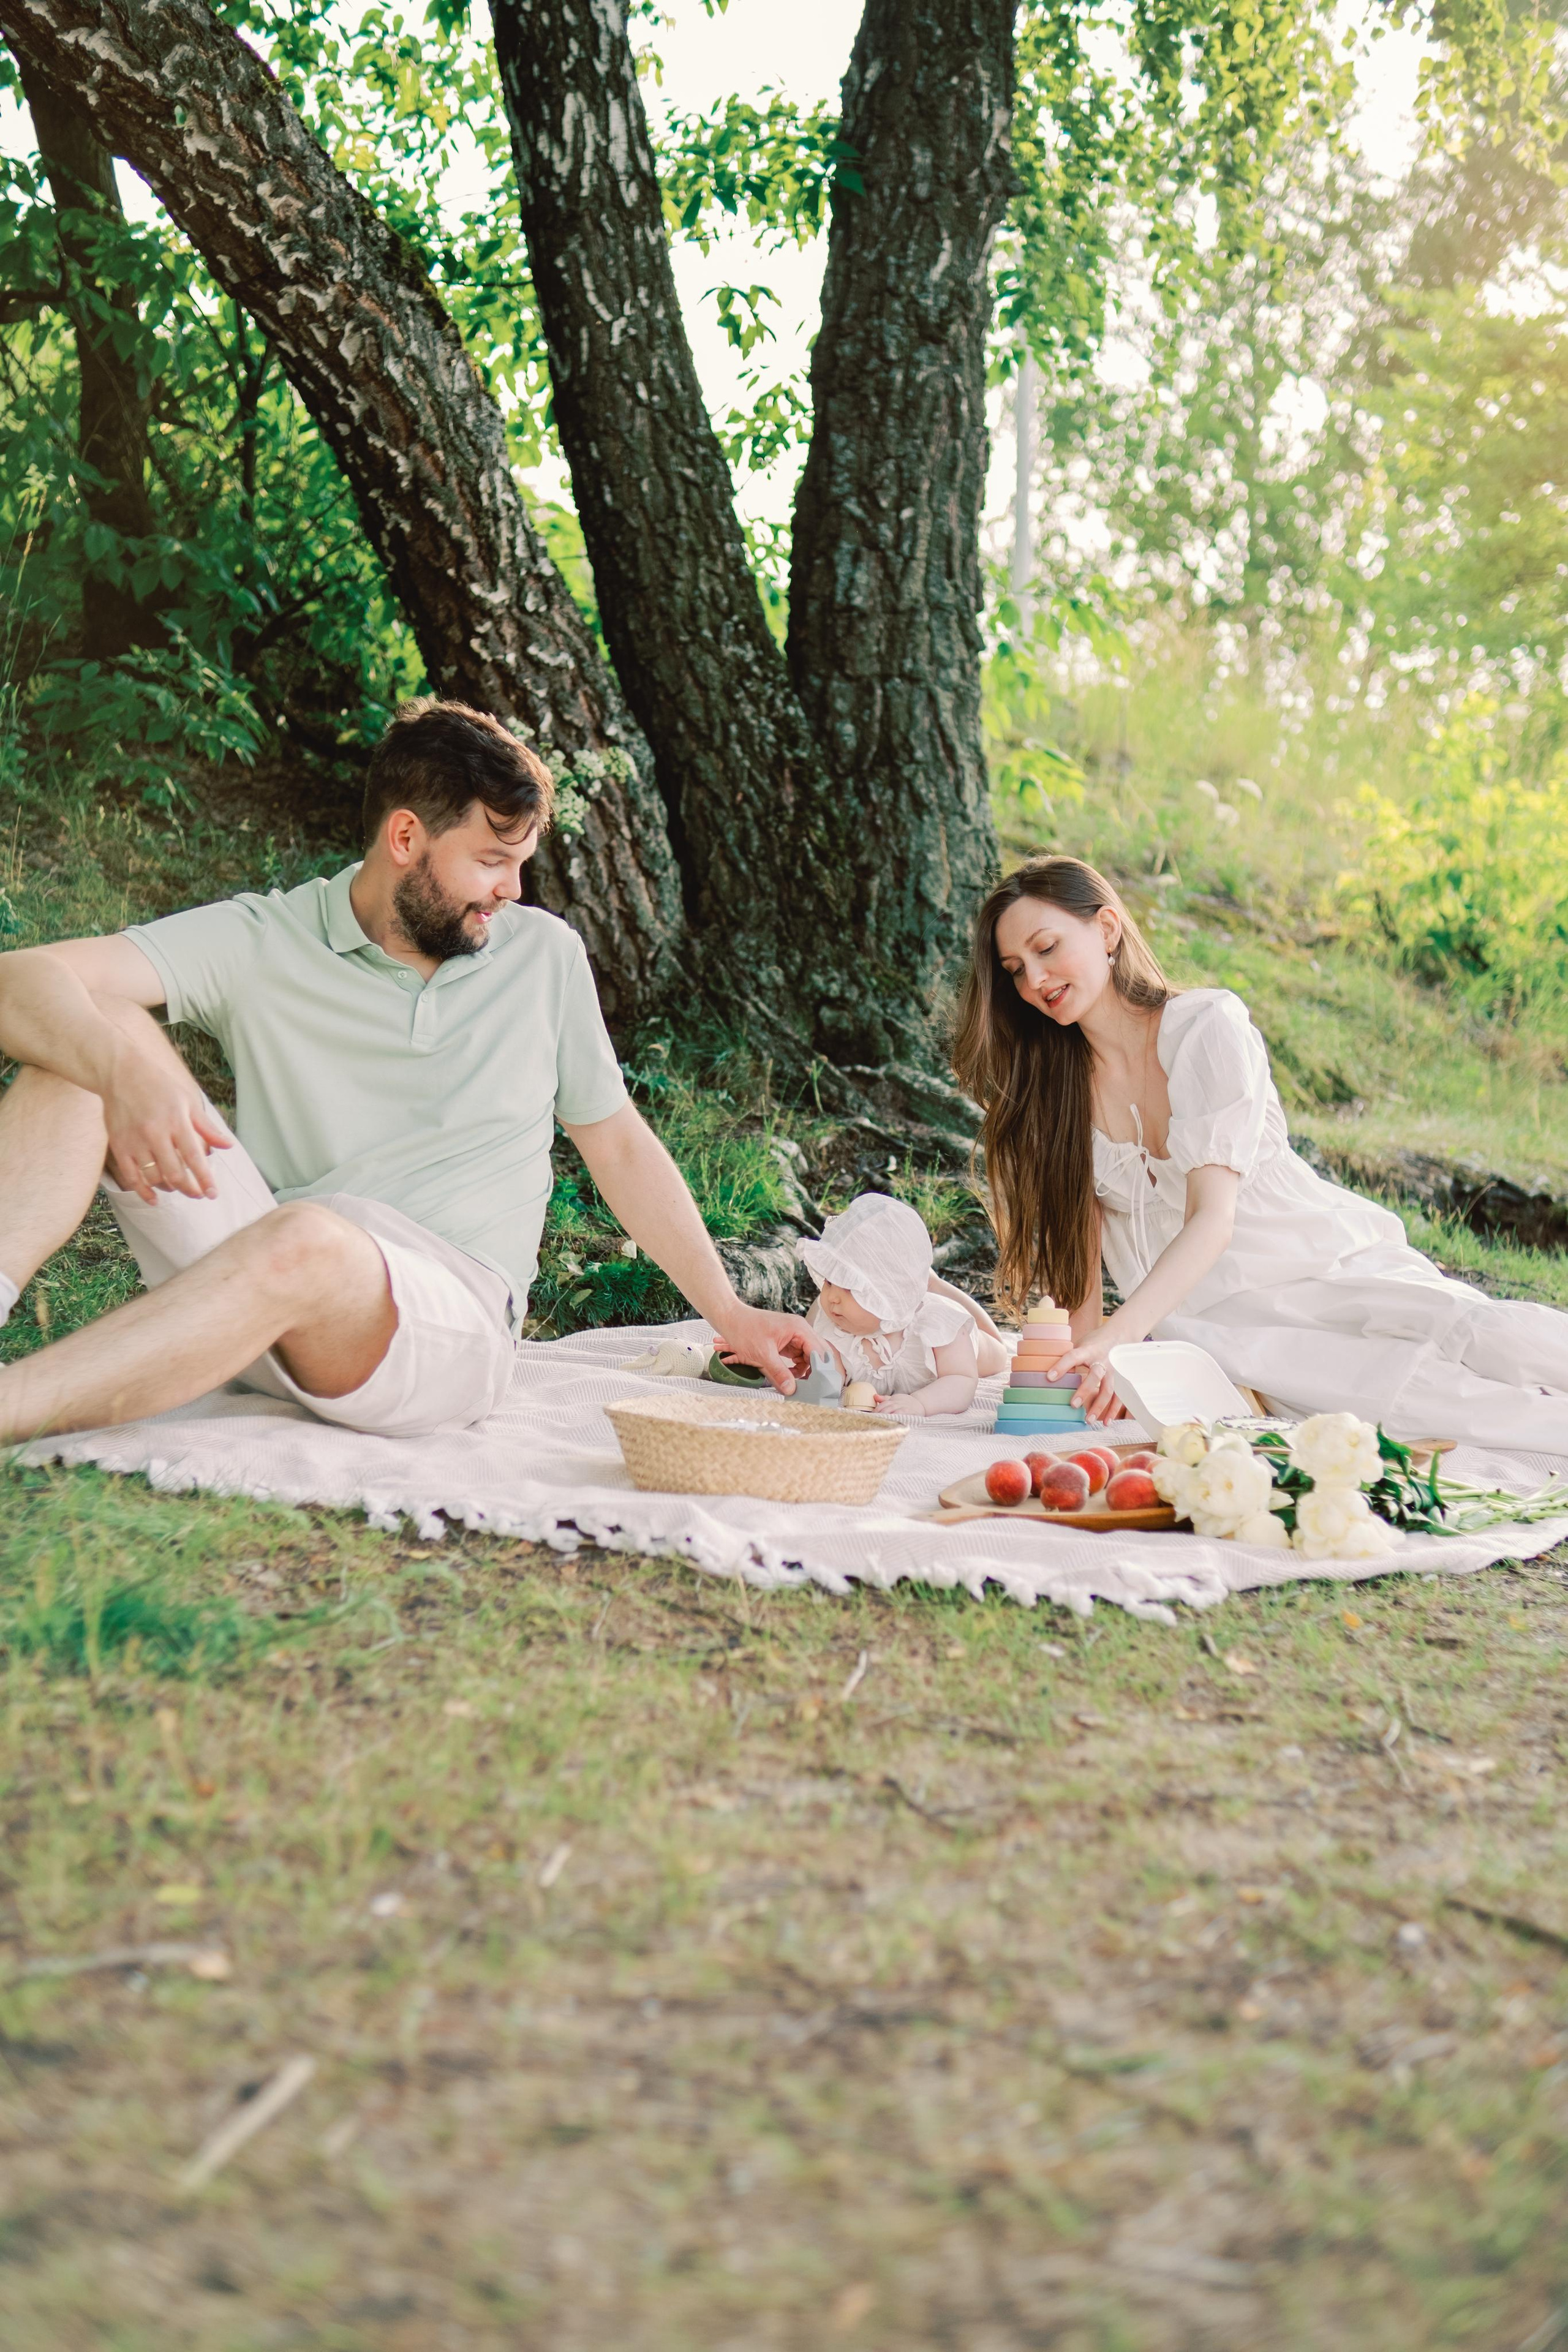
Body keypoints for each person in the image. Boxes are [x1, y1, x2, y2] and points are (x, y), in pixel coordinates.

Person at [0, 699, 818, 1445]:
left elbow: (620, 1147)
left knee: (310, 1238)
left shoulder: (544, 959)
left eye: (521, 863)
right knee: (83, 1038)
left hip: (443, 1322)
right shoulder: (265, 936)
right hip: (257, 1284)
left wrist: (730, 1310)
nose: (511, 889)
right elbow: (20, 978)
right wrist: (119, 1070)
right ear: (405, 839)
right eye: (493, 859)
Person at [951, 854, 1568, 1449]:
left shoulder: (1205, 1029)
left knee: (1470, 1334)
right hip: (1219, 1331)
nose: (1033, 980)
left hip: (1314, 1267)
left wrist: (1120, 1336)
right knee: (1418, 1404)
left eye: (1046, 948)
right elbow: (1078, 1269)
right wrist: (1083, 1367)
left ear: (1106, 929)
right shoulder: (1055, 1093)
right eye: (1013, 969)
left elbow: (1212, 1219)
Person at [797, 1191, 1008, 1417]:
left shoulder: (938, 1328)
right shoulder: (830, 1320)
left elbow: (962, 1380)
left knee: (998, 1353)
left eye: (849, 1287)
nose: (832, 1298)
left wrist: (921, 1403)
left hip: (972, 1347)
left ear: (885, 1295)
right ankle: (925, 1282)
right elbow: (824, 1374)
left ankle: (932, 1284)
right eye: (829, 1282)